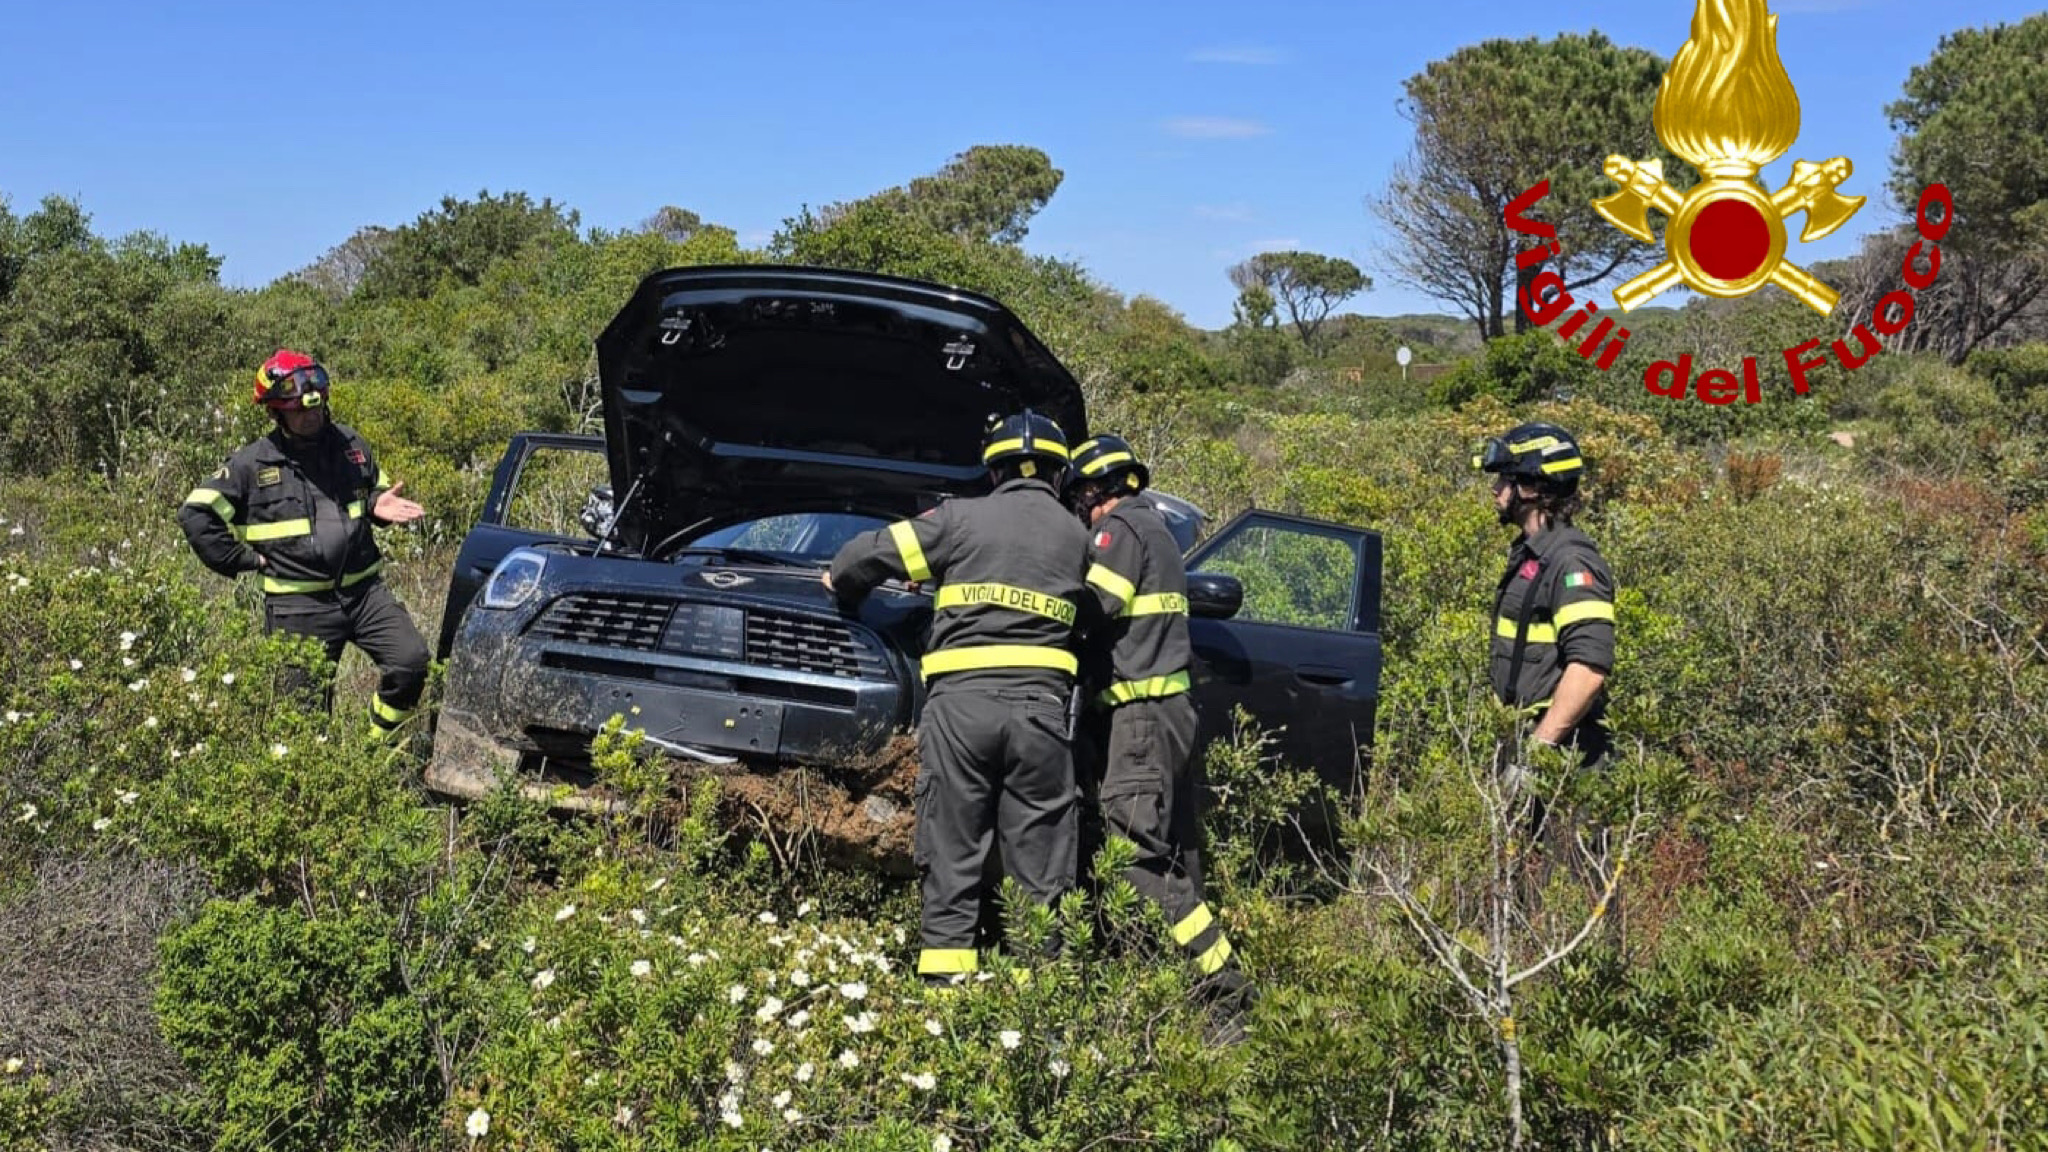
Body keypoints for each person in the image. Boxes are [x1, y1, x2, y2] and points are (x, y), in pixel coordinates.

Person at [824, 411, 1091, 982]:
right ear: (1060, 475)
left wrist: (838, 582)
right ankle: (1034, 1002)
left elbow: (859, 560)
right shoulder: (1078, 537)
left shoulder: (959, 519)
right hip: (1041, 718)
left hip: (960, 713)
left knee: (952, 847)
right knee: (1040, 861)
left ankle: (946, 995)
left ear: (993, 472)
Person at [1065, 433, 1250, 1032]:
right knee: (1175, 856)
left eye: (1079, 498)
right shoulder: (1160, 531)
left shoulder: (1118, 531)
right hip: (1167, 714)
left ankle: (1227, 992)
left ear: (1095, 491)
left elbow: (1094, 608)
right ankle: (1192, 992)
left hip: (1139, 721)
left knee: (1132, 860)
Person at [178, 350, 430, 742]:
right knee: (304, 721)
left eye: (316, 407)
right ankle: (321, 785)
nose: (311, 416)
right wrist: (240, 559)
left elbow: (372, 490)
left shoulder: (351, 445)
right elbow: (195, 513)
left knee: (411, 662)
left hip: (365, 595)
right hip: (298, 607)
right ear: (276, 414)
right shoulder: (251, 464)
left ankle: (374, 752)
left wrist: (378, 504)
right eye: (299, 411)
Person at [1474, 422, 1617, 900]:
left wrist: (1539, 748)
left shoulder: (1572, 562)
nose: (1496, 491)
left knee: (1576, 895)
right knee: (1518, 890)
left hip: (1567, 760)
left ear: (1533, 488)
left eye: (1505, 480)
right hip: (1530, 748)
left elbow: (1589, 666)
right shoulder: (1533, 553)